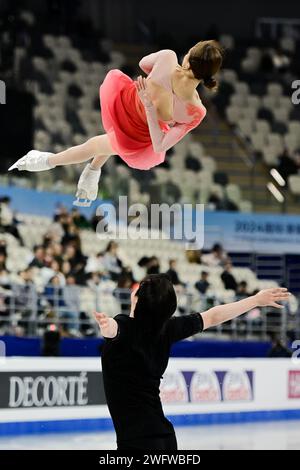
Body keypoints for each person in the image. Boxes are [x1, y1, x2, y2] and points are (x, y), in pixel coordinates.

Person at [9, 41, 223, 206]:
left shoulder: (168, 58)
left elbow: (143, 65)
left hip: (133, 120)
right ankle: (88, 170)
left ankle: (49, 161)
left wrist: (150, 103)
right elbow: (160, 144)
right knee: (101, 144)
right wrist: (154, 102)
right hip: (133, 111)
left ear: (188, 58)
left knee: (97, 145)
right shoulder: (196, 110)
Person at [93, 275, 289, 450]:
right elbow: (212, 316)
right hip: (164, 438)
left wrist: (107, 326)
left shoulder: (125, 326)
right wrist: (255, 300)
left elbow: (115, 329)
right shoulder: (167, 328)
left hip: (137, 443)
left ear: (137, 299)